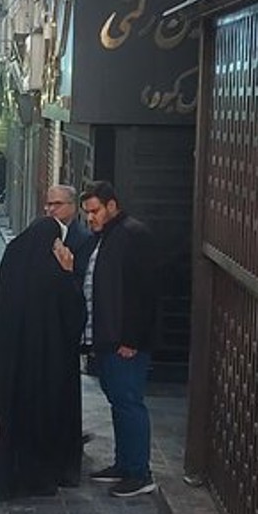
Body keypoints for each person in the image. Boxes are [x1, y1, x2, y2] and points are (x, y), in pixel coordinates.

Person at [0, 196, 86, 501]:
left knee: (11, 417)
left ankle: (6, 476)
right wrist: (69, 275)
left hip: (11, 364)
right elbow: (75, 318)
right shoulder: (55, 274)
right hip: (45, 365)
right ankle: (38, 476)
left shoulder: (14, 260)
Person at [79, 179, 159, 497]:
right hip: (105, 338)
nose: (90, 218)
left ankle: (139, 472)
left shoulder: (134, 235)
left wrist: (132, 339)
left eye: (95, 211)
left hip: (125, 341)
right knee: (118, 401)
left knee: (128, 402)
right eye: (87, 213)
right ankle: (124, 464)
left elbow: (144, 293)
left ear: (112, 205)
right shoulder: (103, 238)